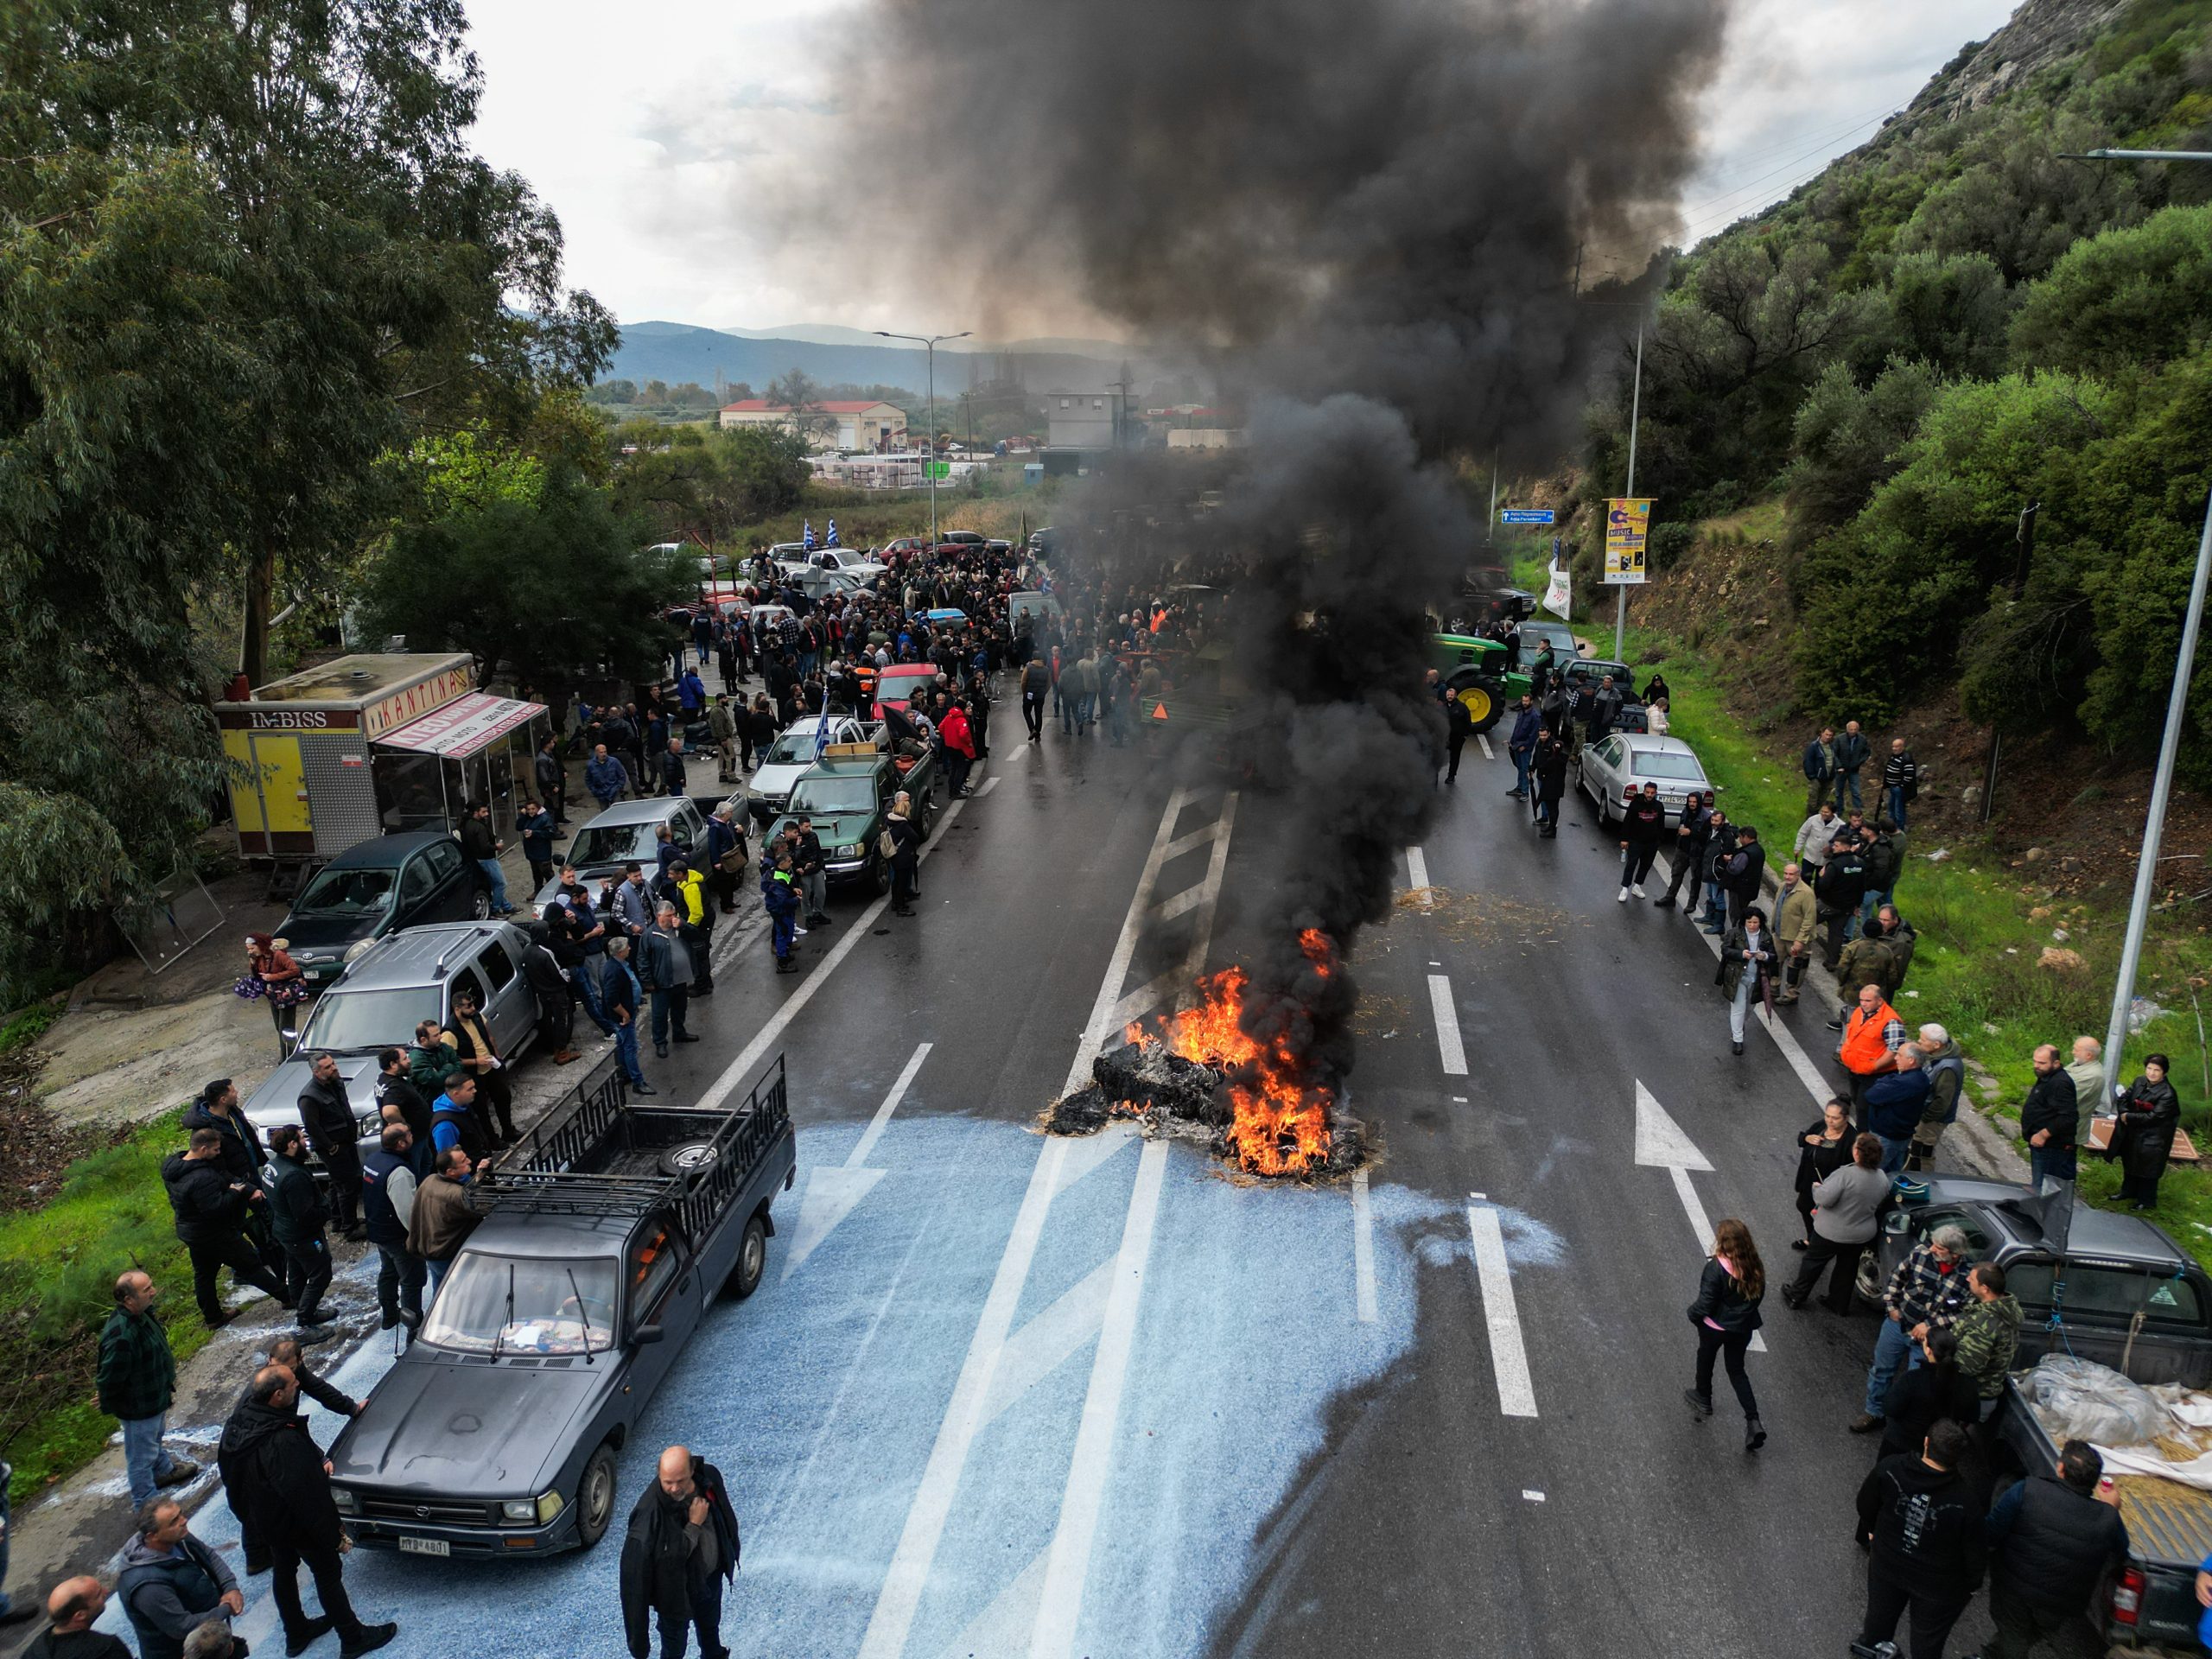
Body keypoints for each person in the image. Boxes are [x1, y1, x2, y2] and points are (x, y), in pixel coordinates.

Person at [216, 1365, 397, 1658]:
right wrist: (333, 1535)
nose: (298, 1384)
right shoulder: (283, 1441)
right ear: (277, 1395)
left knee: (284, 1570)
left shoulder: (239, 1422)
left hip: (267, 1521)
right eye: (292, 1383)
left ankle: (296, 1632)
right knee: (327, 1574)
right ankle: (352, 1637)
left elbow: (230, 1478)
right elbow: (307, 1497)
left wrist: (250, 1520)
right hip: (295, 1523)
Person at [1982, 1439, 2129, 1658]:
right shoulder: (2107, 1518)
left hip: (2013, 1589)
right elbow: (2121, 1549)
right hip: (2059, 1605)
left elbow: (1991, 1532)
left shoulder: (2026, 1490)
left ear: (2060, 1468)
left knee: (2013, 1638)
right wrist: (2110, 1510)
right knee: (2023, 1636)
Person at [1852, 1420, 1985, 1659]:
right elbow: (1973, 1552)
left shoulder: (1890, 1469)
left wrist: (1873, 1531)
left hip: (1888, 1565)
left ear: (1926, 1443)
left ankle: (1871, 1651)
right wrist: (1971, 1585)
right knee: (1927, 1639)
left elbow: (1866, 1503)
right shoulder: (1966, 1502)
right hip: (1937, 1586)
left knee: (1879, 1620)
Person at [618, 1445, 742, 1659]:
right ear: (659, 1475)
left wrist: (729, 1555)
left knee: (711, 1630)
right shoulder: (648, 1517)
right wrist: (694, 1525)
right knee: (674, 1648)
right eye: (668, 1482)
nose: (674, 1489)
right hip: (675, 1595)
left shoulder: (709, 1478)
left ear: (692, 1469)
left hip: (710, 1580)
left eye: (680, 1481)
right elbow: (635, 1584)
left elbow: (725, 1517)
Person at [163, 1127, 286, 1327]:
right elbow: (216, 1208)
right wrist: (234, 1192)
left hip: (190, 1231)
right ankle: (287, 1296)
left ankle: (212, 1317)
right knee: (249, 1264)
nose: (219, 1154)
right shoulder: (201, 1177)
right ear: (203, 1149)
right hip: (213, 1233)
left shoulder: (173, 1166)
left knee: (204, 1274)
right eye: (216, 1150)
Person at [1855, 1224, 1973, 1433]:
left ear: (1955, 1254)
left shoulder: (1967, 1277)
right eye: (1934, 1245)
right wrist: (1891, 1306)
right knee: (1881, 1370)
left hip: (1928, 1341)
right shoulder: (1920, 1255)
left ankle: (1903, 1424)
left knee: (1916, 1383)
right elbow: (1895, 1278)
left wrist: (1929, 1326)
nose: (1933, 1250)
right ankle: (1874, 1412)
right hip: (1897, 1326)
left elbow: (1964, 1313)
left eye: (1940, 1248)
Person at [99, 1271, 195, 1507]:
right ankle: (145, 1503)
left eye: (151, 1286)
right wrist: (105, 1396)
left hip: (155, 1398)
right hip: (139, 1407)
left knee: (155, 1437)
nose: (153, 1291)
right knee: (140, 1457)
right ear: (128, 1299)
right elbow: (110, 1377)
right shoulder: (122, 1335)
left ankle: (163, 1470)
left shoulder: (142, 1314)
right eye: (146, 1290)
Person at [117, 1496, 245, 1659]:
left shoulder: (176, 1536)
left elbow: (207, 1554)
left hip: (207, 1639)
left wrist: (230, 1587)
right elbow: (182, 1626)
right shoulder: (148, 1587)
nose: (184, 1521)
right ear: (152, 1535)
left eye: (181, 1514)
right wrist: (226, 1608)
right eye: (173, 1521)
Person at [1682, 1217, 1765, 1452]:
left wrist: (1692, 1314)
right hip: (1742, 1329)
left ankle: (1703, 1397)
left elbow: (1706, 1302)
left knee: (1706, 1359)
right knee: (1737, 1371)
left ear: (1724, 1243)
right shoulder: (1755, 1265)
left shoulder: (1716, 1269)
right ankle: (1753, 1419)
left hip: (1715, 1328)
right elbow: (1758, 1296)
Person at [1783, 1132, 1888, 1314]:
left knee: (1813, 1263)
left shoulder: (1845, 1174)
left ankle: (1796, 1295)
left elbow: (1825, 1198)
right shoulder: (1882, 1178)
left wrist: (1817, 1188)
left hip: (1831, 1231)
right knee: (1847, 1268)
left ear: (1857, 1153)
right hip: (1861, 1233)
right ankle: (1838, 1303)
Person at [265, 1126, 335, 1332]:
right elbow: (306, 1215)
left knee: (296, 1271)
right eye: (303, 1139)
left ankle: (302, 1307)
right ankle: (305, 1319)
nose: (307, 1142)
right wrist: (327, 1210)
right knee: (321, 1273)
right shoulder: (293, 1176)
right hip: (302, 1235)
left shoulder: (272, 1165)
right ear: (292, 1145)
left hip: (285, 1232)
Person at [1876, 1329, 1979, 1466]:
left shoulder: (1912, 1379)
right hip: (1937, 1450)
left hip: (1900, 1445)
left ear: (1928, 1350)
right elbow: (1972, 1416)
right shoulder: (1967, 1384)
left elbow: (1890, 1408)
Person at [360, 1123, 424, 1333]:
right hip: (398, 1237)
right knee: (411, 1281)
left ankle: (389, 1315)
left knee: (388, 1272)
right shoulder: (399, 1172)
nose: (412, 1135)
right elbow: (407, 1212)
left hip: (379, 1231)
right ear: (401, 1143)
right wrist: (418, 1238)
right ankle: (413, 1327)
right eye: (409, 1134)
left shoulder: (373, 1160)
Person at [296, 1052, 364, 1240]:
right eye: (328, 1067)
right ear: (316, 1072)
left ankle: (338, 1221)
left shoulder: (337, 1083)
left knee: (338, 1183)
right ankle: (350, 1228)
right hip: (333, 1147)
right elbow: (312, 1126)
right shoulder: (309, 1097)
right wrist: (331, 1147)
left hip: (347, 1141)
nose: (334, 1068)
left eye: (333, 1064)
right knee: (347, 1186)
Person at [1952, 1260, 2022, 1419]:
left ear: (1985, 1288)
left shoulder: (1985, 1323)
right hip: (1985, 1396)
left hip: (1971, 1399)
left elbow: (1967, 1367)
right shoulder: (2007, 1308)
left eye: (1972, 1278)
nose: (1968, 1280)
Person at [448, 986, 517, 1146]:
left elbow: (489, 1036)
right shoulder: (450, 1031)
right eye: (468, 1006)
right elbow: (454, 1060)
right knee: (481, 1109)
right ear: (457, 1008)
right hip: (473, 1074)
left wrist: (497, 1056)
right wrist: (476, 1061)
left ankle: (508, 1130)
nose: (473, 1008)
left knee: (503, 1096)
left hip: (491, 1066)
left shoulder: (476, 1017)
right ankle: (492, 1139)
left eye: (473, 1004)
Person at [406, 1146, 479, 1296]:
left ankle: (436, 1318)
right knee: (459, 1295)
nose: (469, 1161)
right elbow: (481, 1207)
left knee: (440, 1293)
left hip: (430, 1250)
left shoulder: (430, 1180)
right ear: (450, 1172)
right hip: (446, 1254)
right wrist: (482, 1176)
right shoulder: (456, 1194)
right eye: (464, 1161)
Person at [2112, 1052, 2182, 1208]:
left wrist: (2128, 1117)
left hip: (2154, 1138)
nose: (2151, 1073)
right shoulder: (2140, 1081)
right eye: (2149, 1068)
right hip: (2134, 1133)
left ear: (2164, 1072)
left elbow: (2154, 1117)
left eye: (2156, 1070)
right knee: (2130, 1162)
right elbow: (2124, 1098)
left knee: (2148, 1170)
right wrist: (2123, 1112)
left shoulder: (2167, 1093)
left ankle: (2147, 1201)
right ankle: (2128, 1191)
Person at [1789, 1099, 1855, 1249]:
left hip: (1831, 1187)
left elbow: (1850, 1168)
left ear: (1845, 1118)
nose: (1829, 1121)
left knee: (1825, 1218)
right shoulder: (1821, 1126)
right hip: (1810, 1181)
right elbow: (1802, 1139)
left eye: (1835, 1118)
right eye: (1827, 1116)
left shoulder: (1851, 1140)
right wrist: (1807, 1138)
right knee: (1804, 1206)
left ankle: (1819, 1243)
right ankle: (1811, 1238)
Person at [1836, 982, 1907, 1121]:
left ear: (1880, 1001)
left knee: (1865, 1107)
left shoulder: (1891, 1022)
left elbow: (1894, 1050)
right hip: (1855, 1068)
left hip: (1874, 1074)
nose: (1863, 1003)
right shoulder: (1859, 1012)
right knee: (1857, 1099)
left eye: (1868, 1001)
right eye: (1861, 1000)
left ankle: (1864, 1135)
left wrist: (1874, 1066)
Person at [641, 902, 702, 1056]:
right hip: (662, 982)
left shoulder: (679, 928)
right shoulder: (650, 935)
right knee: (660, 1014)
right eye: (669, 916)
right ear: (659, 916)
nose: (672, 918)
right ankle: (660, 1042)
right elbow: (642, 959)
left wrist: (683, 925)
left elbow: (696, 935)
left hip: (680, 979)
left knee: (680, 1008)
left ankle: (679, 1033)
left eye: (674, 914)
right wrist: (647, 981)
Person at [1862, 1043, 1932, 1173]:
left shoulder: (1903, 1083)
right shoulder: (1922, 1079)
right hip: (1901, 1136)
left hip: (1886, 1137)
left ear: (1911, 1060)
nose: (1895, 1058)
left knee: (1871, 1172)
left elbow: (1871, 1095)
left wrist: (1883, 1082)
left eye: (1900, 1055)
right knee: (1893, 1172)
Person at [1908, 1024, 1967, 1173]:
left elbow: (1942, 1101)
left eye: (1923, 1040)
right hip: (1927, 1115)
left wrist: (1926, 1118)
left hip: (1932, 1120)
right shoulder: (1938, 1056)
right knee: (1916, 1149)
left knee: (1922, 1152)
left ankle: (1923, 1181)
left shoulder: (1947, 1068)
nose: (1919, 1042)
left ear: (1936, 1044)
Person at [1717, 905, 1774, 1057]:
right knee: (1738, 1008)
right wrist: (1741, 954)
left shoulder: (1766, 937)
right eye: (1749, 922)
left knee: (1749, 1008)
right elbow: (1726, 949)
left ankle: (1739, 1028)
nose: (1752, 925)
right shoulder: (1735, 934)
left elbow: (1773, 956)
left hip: (1756, 979)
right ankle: (1737, 1040)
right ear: (1744, 922)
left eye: (1755, 922)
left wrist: (1765, 956)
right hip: (1737, 977)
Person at [24, 1578, 130, 1659]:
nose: (106, 1592)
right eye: (98, 1594)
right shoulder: (107, 1649)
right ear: (80, 1615)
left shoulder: (33, 1652)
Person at [2021, 1044, 2080, 1189]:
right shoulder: (2047, 1076)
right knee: (2040, 1185)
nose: (2036, 1066)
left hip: (2053, 1147)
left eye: (2042, 1063)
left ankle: (2039, 1203)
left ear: (2056, 1063)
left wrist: (2043, 1135)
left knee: (2048, 1190)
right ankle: (2036, 1192)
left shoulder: (2060, 1083)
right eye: (2035, 1061)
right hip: (2042, 1146)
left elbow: (2069, 1117)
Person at [602, 938, 653, 1094]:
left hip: (629, 1010)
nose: (630, 949)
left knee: (622, 1044)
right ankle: (638, 1082)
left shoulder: (620, 964)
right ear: (620, 952)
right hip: (623, 1016)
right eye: (627, 947)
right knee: (630, 1046)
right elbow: (611, 998)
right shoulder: (614, 970)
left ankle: (624, 1073)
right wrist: (625, 1014)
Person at [242, 933, 307, 1053]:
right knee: (279, 1027)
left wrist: (273, 977)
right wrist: (252, 961)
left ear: (261, 945)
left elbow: (295, 970)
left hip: (286, 995)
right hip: (273, 996)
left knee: (285, 1028)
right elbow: (257, 976)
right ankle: (298, 1049)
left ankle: (286, 1058)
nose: (250, 951)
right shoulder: (260, 958)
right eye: (248, 949)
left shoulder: (279, 955)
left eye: (252, 948)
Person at [1654, 791, 1713, 912]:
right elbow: (1682, 823)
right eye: (1690, 801)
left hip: (1696, 852)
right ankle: (1670, 897)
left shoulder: (1706, 817)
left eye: (1694, 802)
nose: (1691, 804)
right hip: (1682, 848)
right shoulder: (1685, 811)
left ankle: (1691, 904)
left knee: (1695, 878)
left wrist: (1691, 833)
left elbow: (1707, 836)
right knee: (1676, 873)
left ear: (1699, 802)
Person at [1774, 861, 1820, 1005]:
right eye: (1786, 873)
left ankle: (1791, 994)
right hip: (1780, 934)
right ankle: (1774, 986)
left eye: (1791, 874)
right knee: (1775, 963)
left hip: (1795, 938)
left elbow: (1809, 918)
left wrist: (1800, 940)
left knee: (1796, 968)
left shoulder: (1806, 893)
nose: (1787, 877)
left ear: (1798, 875)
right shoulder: (1782, 886)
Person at [457, 802, 512, 916]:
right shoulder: (479, 827)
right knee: (500, 883)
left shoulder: (467, 824)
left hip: (477, 859)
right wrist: (497, 846)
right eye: (484, 812)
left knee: (495, 883)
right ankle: (495, 910)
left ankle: (506, 906)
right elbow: (485, 847)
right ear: (476, 813)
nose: (486, 814)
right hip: (487, 859)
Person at [1616, 780, 1666, 901]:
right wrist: (1624, 839)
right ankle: (1625, 888)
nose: (1649, 795)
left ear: (1656, 793)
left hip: (1651, 843)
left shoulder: (1659, 806)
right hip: (1636, 840)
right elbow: (1627, 822)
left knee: (1646, 865)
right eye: (1647, 792)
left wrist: (1659, 839)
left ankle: (1637, 886)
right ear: (1644, 792)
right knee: (1631, 864)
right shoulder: (1635, 804)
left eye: (1652, 793)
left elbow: (1661, 824)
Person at [2064, 1033, 2110, 1141]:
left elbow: (2065, 1098)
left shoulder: (2092, 1076)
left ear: (2088, 1055)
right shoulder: (2080, 1064)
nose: (2073, 1052)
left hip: (2069, 1128)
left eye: (2076, 1050)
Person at [792, 818, 831, 930]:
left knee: (821, 893)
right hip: (805, 873)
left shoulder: (813, 836)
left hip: (817, 870)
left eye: (809, 826)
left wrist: (822, 867)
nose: (809, 828)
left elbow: (819, 851)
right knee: (805, 897)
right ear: (800, 826)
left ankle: (817, 913)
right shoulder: (797, 840)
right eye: (806, 826)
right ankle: (808, 917)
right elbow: (795, 858)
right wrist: (804, 865)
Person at [1531, 728, 1568, 838]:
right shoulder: (1562, 759)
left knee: (1552, 809)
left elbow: (1543, 769)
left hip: (1550, 787)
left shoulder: (1552, 760)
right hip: (1557, 788)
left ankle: (1552, 830)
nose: (1542, 737)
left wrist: (1537, 769)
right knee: (1554, 809)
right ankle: (1551, 827)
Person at [516, 799, 557, 893]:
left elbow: (551, 833)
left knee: (547, 874)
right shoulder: (527, 817)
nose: (531, 811)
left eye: (533, 809)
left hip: (542, 852)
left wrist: (534, 833)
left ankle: (554, 893)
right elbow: (518, 827)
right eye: (529, 809)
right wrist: (522, 815)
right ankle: (538, 891)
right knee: (536, 874)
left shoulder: (544, 818)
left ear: (538, 808)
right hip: (531, 851)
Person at [1882, 736, 1920, 832]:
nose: (1894, 749)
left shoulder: (1907, 759)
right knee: (1891, 808)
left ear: (1902, 747)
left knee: (1899, 810)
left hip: (1899, 789)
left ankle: (1900, 829)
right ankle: (1890, 827)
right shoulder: (1893, 756)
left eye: (1897, 747)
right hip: (1892, 787)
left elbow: (1909, 775)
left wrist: (1901, 785)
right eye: (1893, 747)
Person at [1833, 718, 1870, 812]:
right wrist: (1838, 766)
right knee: (1838, 792)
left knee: (1856, 792)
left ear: (1858, 730)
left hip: (1854, 770)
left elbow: (1867, 752)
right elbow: (1834, 753)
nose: (1853, 731)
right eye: (1851, 729)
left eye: (1855, 729)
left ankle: (1857, 812)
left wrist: (1859, 762)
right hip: (1841, 770)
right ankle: (1839, 811)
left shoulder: (1862, 739)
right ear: (1847, 729)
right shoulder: (1839, 739)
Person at [1504, 694, 1537, 799]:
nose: (1524, 703)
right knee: (1519, 767)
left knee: (1525, 769)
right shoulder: (1521, 712)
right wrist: (1511, 742)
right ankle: (1519, 788)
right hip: (1516, 745)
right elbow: (1517, 728)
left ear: (1531, 701)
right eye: (1523, 701)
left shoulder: (1534, 716)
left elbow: (1534, 735)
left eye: (1526, 701)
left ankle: (1525, 792)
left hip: (1524, 747)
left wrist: (1526, 746)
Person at [1802, 724, 1836, 817]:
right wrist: (1812, 776)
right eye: (1826, 734)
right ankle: (1809, 819)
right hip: (1816, 778)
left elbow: (1834, 760)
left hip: (1828, 778)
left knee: (1822, 800)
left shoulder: (1832, 747)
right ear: (1821, 733)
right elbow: (1807, 762)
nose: (1828, 737)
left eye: (1830, 735)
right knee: (1813, 799)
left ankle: (1818, 818)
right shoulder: (1814, 746)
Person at [587, 743, 627, 810]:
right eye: (601, 752)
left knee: (617, 812)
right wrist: (594, 790)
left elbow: (622, 775)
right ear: (596, 753)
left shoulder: (614, 762)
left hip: (614, 791)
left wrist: (619, 787)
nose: (604, 754)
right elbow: (588, 779)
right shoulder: (591, 765)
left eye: (605, 752)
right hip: (601, 793)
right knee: (604, 813)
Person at [1442, 691, 1471, 785]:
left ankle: (1451, 776)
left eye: (1451, 695)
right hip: (1444, 737)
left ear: (1455, 695)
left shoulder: (1462, 707)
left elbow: (1468, 722)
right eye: (1448, 695)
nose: (1449, 697)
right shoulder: (1443, 706)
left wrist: (1464, 735)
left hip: (1457, 738)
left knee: (1454, 757)